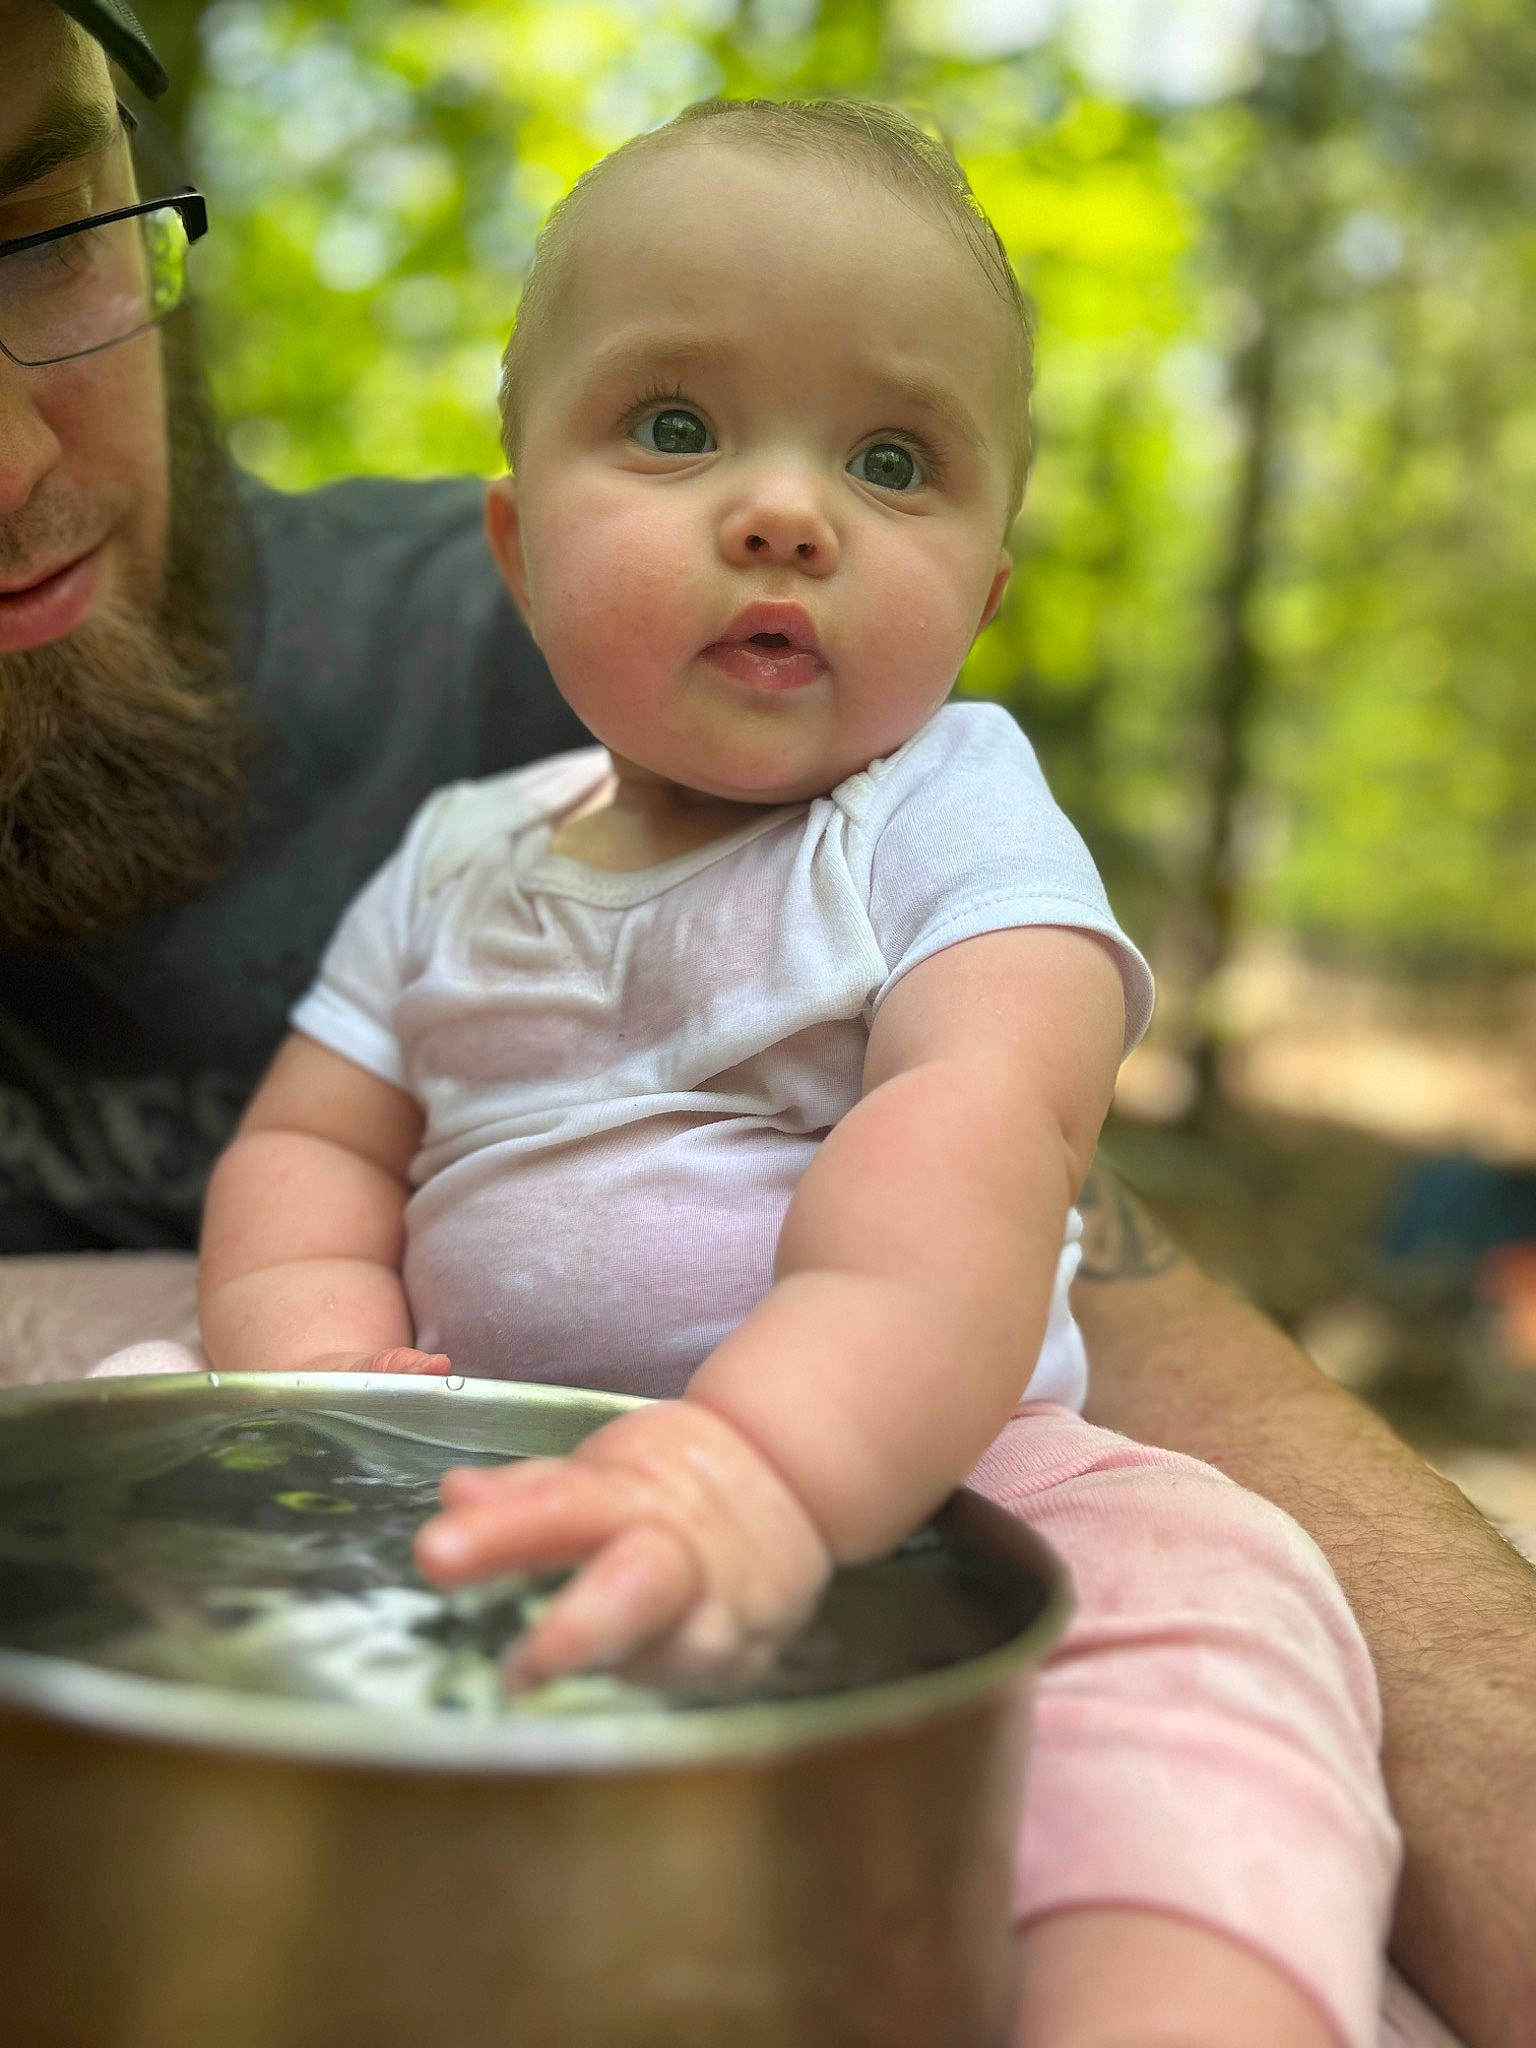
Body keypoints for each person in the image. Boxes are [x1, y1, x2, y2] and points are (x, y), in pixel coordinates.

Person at [0, 9, 1531, 2046]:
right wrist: (311, 1373)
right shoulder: (463, 851)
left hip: (961, 1489)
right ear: (522, 551)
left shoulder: (946, 821)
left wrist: (771, 1466)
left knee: (1200, 1666)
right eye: (677, 430)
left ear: (980, 590)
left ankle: (1169, 1995)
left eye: (891, 463)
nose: (788, 512)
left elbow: (968, 1160)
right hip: (478, 1475)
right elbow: (315, 1144)